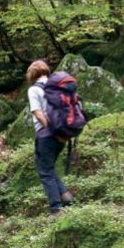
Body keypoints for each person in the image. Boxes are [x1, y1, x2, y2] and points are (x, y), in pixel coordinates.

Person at [26, 60, 73, 215]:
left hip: (47, 134)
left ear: (33, 73)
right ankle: (66, 196)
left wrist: (50, 129)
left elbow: (37, 112)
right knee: (49, 167)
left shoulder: (34, 90)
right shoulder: (58, 87)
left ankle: (56, 209)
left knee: (45, 171)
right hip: (63, 135)